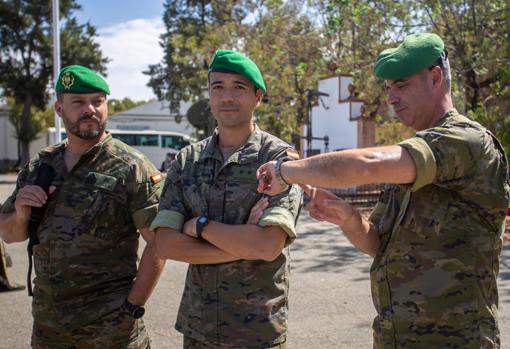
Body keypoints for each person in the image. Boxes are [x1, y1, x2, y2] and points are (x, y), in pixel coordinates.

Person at [257, 33, 510, 348]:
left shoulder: (468, 141)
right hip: (395, 337)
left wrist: (285, 171)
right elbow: (379, 242)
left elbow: (369, 164)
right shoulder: (412, 159)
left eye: (401, 85)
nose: (391, 98)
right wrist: (349, 218)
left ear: (435, 77)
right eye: (388, 88)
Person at [0, 65, 165, 348]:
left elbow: (159, 243)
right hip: (49, 328)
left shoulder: (130, 166)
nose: (90, 109)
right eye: (78, 102)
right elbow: (11, 235)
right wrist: (22, 212)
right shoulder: (40, 165)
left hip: (111, 330)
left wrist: (133, 307)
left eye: (97, 101)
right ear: (59, 108)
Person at [151, 50, 302, 349]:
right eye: (217, 87)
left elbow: (267, 245)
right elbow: (165, 244)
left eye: (239, 88)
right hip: (198, 329)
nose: (227, 97)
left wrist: (200, 226)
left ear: (258, 96)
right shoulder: (187, 160)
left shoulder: (278, 159)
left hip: (257, 330)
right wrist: (241, 242)